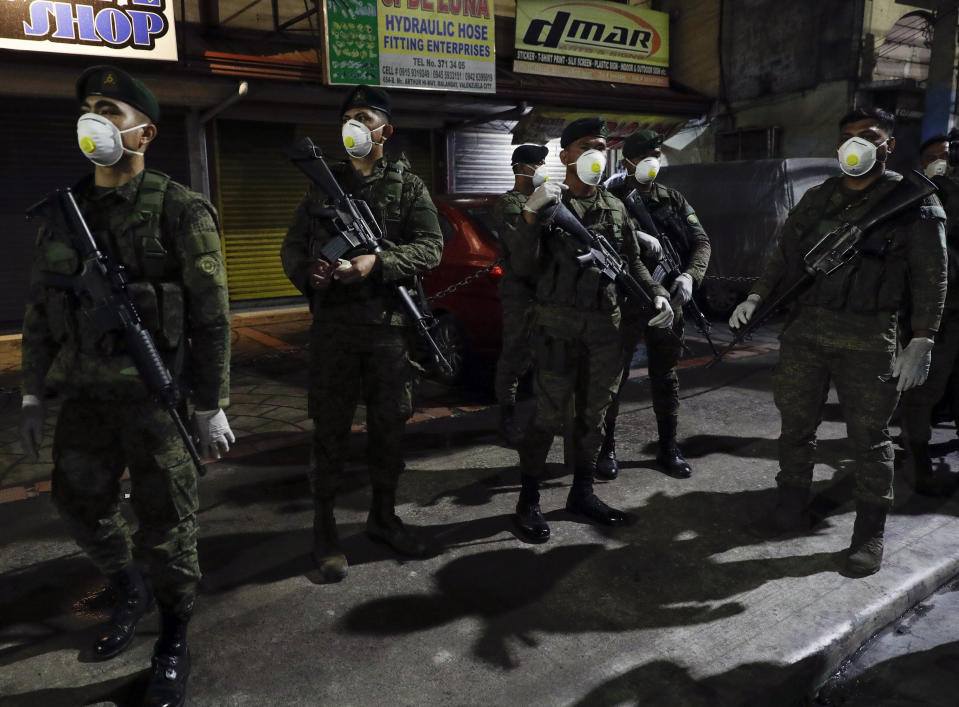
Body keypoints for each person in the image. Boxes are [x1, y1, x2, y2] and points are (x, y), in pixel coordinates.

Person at [19, 65, 233, 707]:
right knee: (80, 503)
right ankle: (127, 584)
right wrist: (31, 392)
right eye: (89, 107)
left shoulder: (180, 209)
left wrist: (211, 403)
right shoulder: (63, 213)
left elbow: (212, 316)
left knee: (169, 528)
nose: (94, 120)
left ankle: (172, 637)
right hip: (85, 400)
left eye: (110, 110)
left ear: (144, 133)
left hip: (153, 401)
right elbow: (38, 312)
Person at [729, 106, 947, 576]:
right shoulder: (818, 197)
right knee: (795, 428)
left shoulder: (914, 202)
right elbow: (784, 256)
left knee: (869, 438)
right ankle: (789, 508)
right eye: (847, 135)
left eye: (868, 135)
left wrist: (923, 339)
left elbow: (933, 277)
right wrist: (756, 295)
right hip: (806, 331)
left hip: (870, 336)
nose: (855, 144)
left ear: (888, 145)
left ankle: (869, 532)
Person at [281, 85, 443, 582]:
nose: (353, 124)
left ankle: (383, 516)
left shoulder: (408, 188)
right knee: (329, 430)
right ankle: (324, 527)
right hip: (334, 330)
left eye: (364, 117)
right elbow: (293, 248)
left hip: (387, 332)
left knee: (389, 428)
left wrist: (379, 262)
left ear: (384, 130)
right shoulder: (320, 185)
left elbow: (431, 249)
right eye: (348, 116)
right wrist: (314, 272)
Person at [508, 117, 674, 543]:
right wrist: (530, 215)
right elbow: (519, 268)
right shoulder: (545, 202)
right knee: (545, 417)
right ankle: (528, 500)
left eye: (601, 146)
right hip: (557, 330)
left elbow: (632, 261)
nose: (595, 154)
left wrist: (655, 291)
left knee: (593, 417)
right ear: (565, 155)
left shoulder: (616, 207)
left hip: (605, 331)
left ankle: (582, 494)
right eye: (586, 146)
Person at [603, 130, 712, 479]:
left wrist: (690, 277)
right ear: (628, 160)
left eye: (657, 152)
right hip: (625, 299)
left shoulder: (673, 199)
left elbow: (701, 241)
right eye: (646, 153)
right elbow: (597, 233)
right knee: (612, 378)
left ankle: (668, 447)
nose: (653, 159)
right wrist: (635, 235)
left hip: (668, 301)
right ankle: (605, 449)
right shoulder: (610, 197)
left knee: (665, 376)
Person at [898, 132, 959, 495]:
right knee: (924, 387)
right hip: (931, 313)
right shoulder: (912, 196)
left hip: (955, 307)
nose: (944, 162)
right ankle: (918, 454)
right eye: (936, 157)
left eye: (949, 157)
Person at [492, 144, 549, 446]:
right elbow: (522, 254)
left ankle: (540, 418)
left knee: (546, 358)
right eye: (538, 163)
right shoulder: (509, 203)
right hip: (520, 294)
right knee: (514, 356)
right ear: (522, 167)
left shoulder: (544, 198)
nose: (542, 168)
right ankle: (507, 420)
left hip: (547, 292)